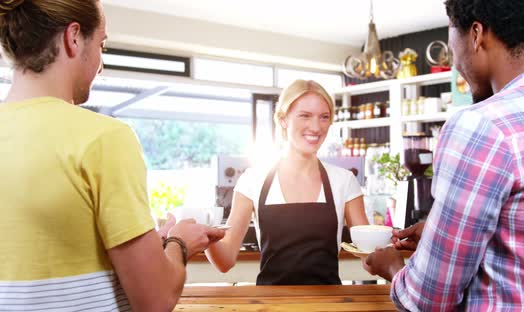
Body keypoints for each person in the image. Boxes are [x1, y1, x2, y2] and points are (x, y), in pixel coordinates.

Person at [363, 0, 524, 310]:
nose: (456, 62)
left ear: (476, 34)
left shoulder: (481, 125)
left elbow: (429, 298)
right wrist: (438, 235)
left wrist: (391, 266)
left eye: (452, 44)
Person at [0, 1, 224, 311]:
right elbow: (155, 301)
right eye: (102, 44)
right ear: (74, 37)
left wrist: (149, 249)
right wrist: (179, 243)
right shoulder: (103, 138)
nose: (101, 65)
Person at [206, 80, 369, 285]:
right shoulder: (252, 180)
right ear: (283, 119)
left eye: (324, 117)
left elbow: (369, 259)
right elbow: (225, 261)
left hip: (328, 304)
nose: (316, 127)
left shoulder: (344, 181)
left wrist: (390, 245)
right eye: (305, 116)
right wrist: (207, 238)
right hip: (270, 305)